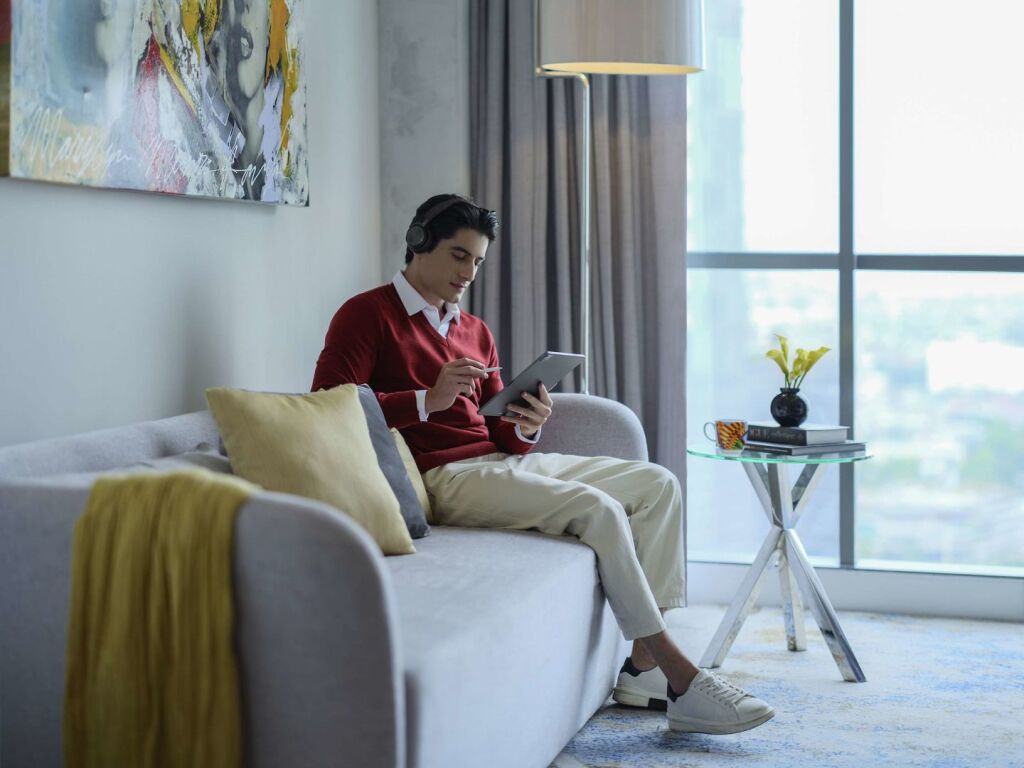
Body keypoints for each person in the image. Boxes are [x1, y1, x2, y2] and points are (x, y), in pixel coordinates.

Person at [312, 193, 776, 735]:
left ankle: (642, 667)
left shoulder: (474, 329)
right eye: (459, 256)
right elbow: (328, 404)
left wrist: (528, 422)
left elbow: (502, 437)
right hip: (443, 478)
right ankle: (679, 675)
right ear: (419, 243)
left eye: (478, 261)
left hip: (495, 463)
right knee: (596, 509)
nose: (469, 273)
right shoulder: (366, 314)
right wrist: (425, 401)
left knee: (658, 485)